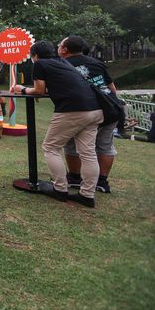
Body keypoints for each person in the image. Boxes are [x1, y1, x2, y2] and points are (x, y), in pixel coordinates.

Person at [12, 40, 103, 208]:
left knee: (51, 147)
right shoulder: (63, 62)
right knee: (88, 153)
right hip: (95, 109)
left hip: (72, 110)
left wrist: (22, 89)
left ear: (35, 55)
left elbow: (39, 90)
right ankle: (87, 195)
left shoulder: (40, 64)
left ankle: (60, 189)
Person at [58, 35, 120, 193]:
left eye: (60, 45)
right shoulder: (96, 62)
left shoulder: (62, 64)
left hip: (85, 109)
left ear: (65, 50)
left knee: (72, 144)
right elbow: (112, 89)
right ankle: (102, 182)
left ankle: (74, 178)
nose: (58, 47)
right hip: (111, 108)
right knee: (104, 146)